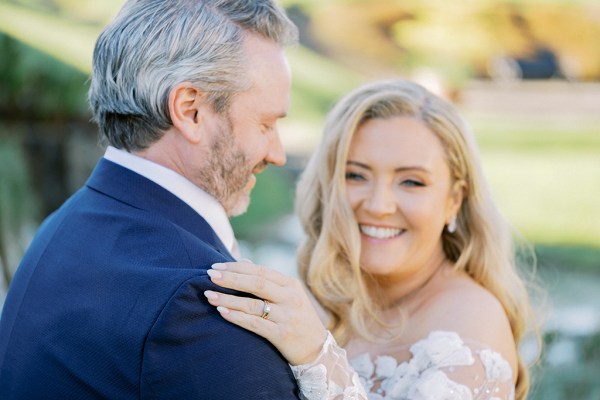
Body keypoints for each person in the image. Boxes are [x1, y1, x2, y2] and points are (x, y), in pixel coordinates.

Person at [0, 0, 301, 398]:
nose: (276, 153)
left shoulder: (65, 224)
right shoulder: (199, 304)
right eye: (265, 124)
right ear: (190, 110)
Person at [203, 79, 538, 399]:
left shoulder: (469, 325)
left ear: (454, 199)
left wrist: (315, 357)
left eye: (411, 182)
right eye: (356, 175)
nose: (378, 206)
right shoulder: (322, 300)